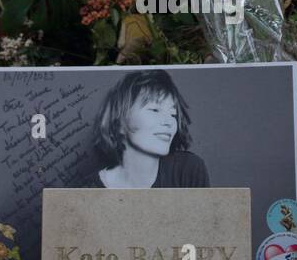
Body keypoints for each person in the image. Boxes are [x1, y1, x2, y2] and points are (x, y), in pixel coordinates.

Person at [76, 70, 209, 189]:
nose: (169, 122)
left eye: (173, 114)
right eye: (155, 110)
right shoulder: (87, 190)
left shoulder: (188, 170)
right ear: (120, 122)